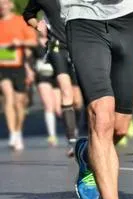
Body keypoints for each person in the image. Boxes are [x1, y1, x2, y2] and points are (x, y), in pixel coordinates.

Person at [61, 0, 133, 199]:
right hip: (82, 16)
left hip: (129, 16)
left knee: (119, 128)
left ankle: (87, 154)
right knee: (101, 114)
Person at [23, 0, 83, 156]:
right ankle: (72, 140)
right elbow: (28, 14)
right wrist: (37, 25)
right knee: (66, 91)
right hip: (57, 47)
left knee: (78, 100)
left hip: (80, 47)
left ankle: (77, 128)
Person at [0, 0, 37, 151]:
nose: (2, 6)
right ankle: (12, 134)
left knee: (19, 102)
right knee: (8, 96)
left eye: (5, 3)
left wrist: (19, 42)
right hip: (2, 66)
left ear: (11, 5)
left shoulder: (19, 21)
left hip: (19, 65)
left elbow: (33, 42)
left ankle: (18, 131)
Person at [33, 32, 61, 146]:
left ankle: (72, 132)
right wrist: (30, 71)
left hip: (56, 75)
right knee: (48, 105)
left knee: (58, 109)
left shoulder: (55, 41)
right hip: (42, 75)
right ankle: (52, 135)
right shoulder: (34, 44)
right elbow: (28, 58)